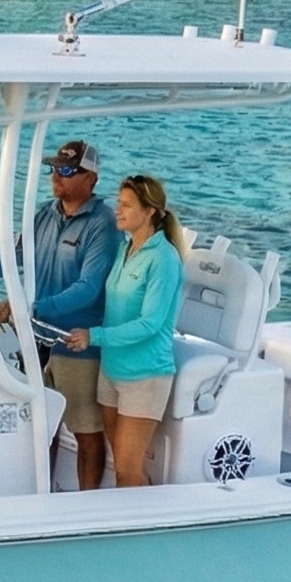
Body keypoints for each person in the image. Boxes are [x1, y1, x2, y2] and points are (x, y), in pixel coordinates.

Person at [0, 139, 120, 490]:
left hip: (77, 345)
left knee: (86, 432)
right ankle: (42, 496)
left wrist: (31, 307)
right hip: (35, 338)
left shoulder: (102, 224)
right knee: (39, 425)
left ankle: (87, 507)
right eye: (54, 168)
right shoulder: (42, 214)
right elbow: (4, 260)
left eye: (67, 170)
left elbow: (89, 287)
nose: (57, 176)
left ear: (91, 179)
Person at [64, 174, 185, 488]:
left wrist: (95, 336)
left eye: (126, 205)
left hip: (144, 377)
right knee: (120, 464)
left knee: (127, 471)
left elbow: (151, 323)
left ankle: (142, 535)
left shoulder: (163, 259)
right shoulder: (125, 249)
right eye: (118, 203)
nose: (117, 210)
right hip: (111, 371)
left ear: (150, 212)